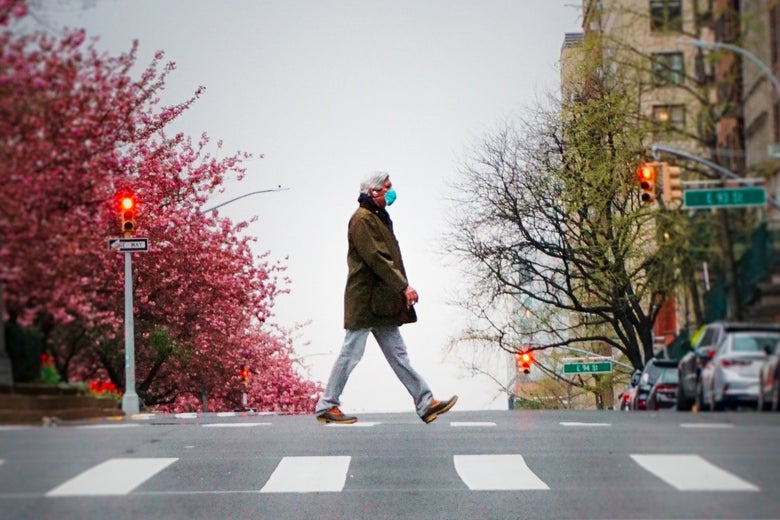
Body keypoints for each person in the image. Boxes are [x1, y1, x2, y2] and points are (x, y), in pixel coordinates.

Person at [315, 172, 457, 424]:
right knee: (351, 353)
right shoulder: (362, 220)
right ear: (373, 191)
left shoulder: (376, 218)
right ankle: (327, 404)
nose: (392, 192)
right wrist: (404, 286)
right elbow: (378, 259)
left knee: (399, 355)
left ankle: (425, 403)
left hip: (379, 303)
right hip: (366, 301)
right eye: (387, 187)